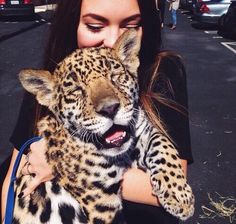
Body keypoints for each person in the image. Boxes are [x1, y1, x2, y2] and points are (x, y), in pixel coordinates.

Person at [1, 0, 193, 223]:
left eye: (130, 26)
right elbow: (12, 183)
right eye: (95, 26)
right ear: (72, 24)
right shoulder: (52, 86)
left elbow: (175, 192)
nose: (112, 42)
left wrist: (65, 166)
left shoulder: (162, 72)